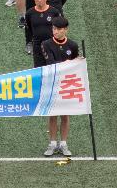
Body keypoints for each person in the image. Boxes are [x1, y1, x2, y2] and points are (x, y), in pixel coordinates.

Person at [39, 16, 79, 157]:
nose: (56, 32)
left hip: (67, 84)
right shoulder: (46, 44)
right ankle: (52, 143)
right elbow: (51, 63)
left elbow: (76, 65)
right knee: (52, 115)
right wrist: (70, 63)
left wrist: (75, 63)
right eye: (54, 29)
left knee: (65, 115)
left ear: (66, 30)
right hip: (51, 83)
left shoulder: (73, 45)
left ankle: (63, 144)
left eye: (59, 29)